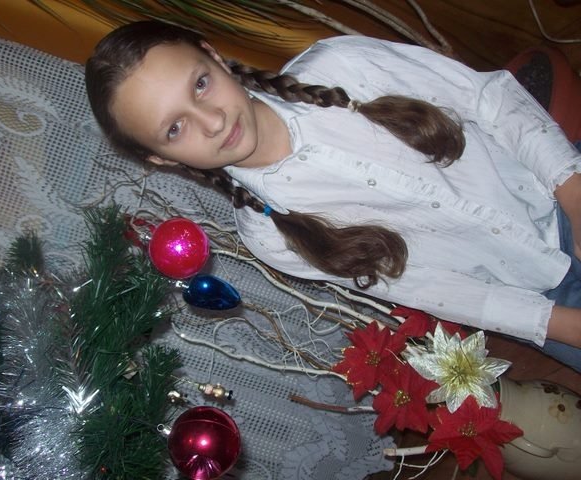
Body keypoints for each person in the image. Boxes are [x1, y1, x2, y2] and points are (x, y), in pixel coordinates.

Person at [85, 20, 581, 371]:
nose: (212, 121)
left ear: (214, 56)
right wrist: (559, 326)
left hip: (559, 187)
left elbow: (489, 99)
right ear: (162, 159)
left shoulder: (340, 65)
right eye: (174, 128)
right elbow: (427, 288)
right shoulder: (271, 235)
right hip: (536, 299)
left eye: (200, 84)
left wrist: (575, 199)